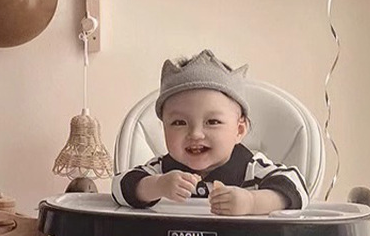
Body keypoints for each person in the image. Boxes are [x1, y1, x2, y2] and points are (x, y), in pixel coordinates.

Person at [112, 49, 309, 216]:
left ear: (239, 130)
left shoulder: (251, 168)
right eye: (179, 122)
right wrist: (156, 186)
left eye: (212, 122)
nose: (195, 134)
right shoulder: (163, 170)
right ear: (163, 128)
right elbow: (119, 187)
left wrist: (252, 202)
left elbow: (297, 188)